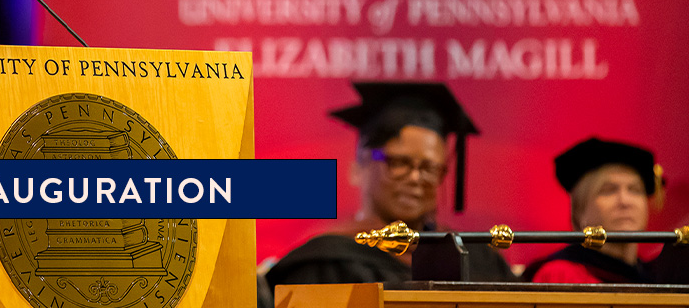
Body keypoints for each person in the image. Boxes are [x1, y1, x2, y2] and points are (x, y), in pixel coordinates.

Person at [264, 82, 515, 286]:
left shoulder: (477, 258)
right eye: (399, 162)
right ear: (360, 165)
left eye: (429, 168)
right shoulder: (325, 261)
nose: (415, 178)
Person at [523, 137, 661, 283]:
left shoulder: (657, 278)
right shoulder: (559, 275)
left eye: (635, 190)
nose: (625, 201)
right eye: (608, 191)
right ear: (580, 212)